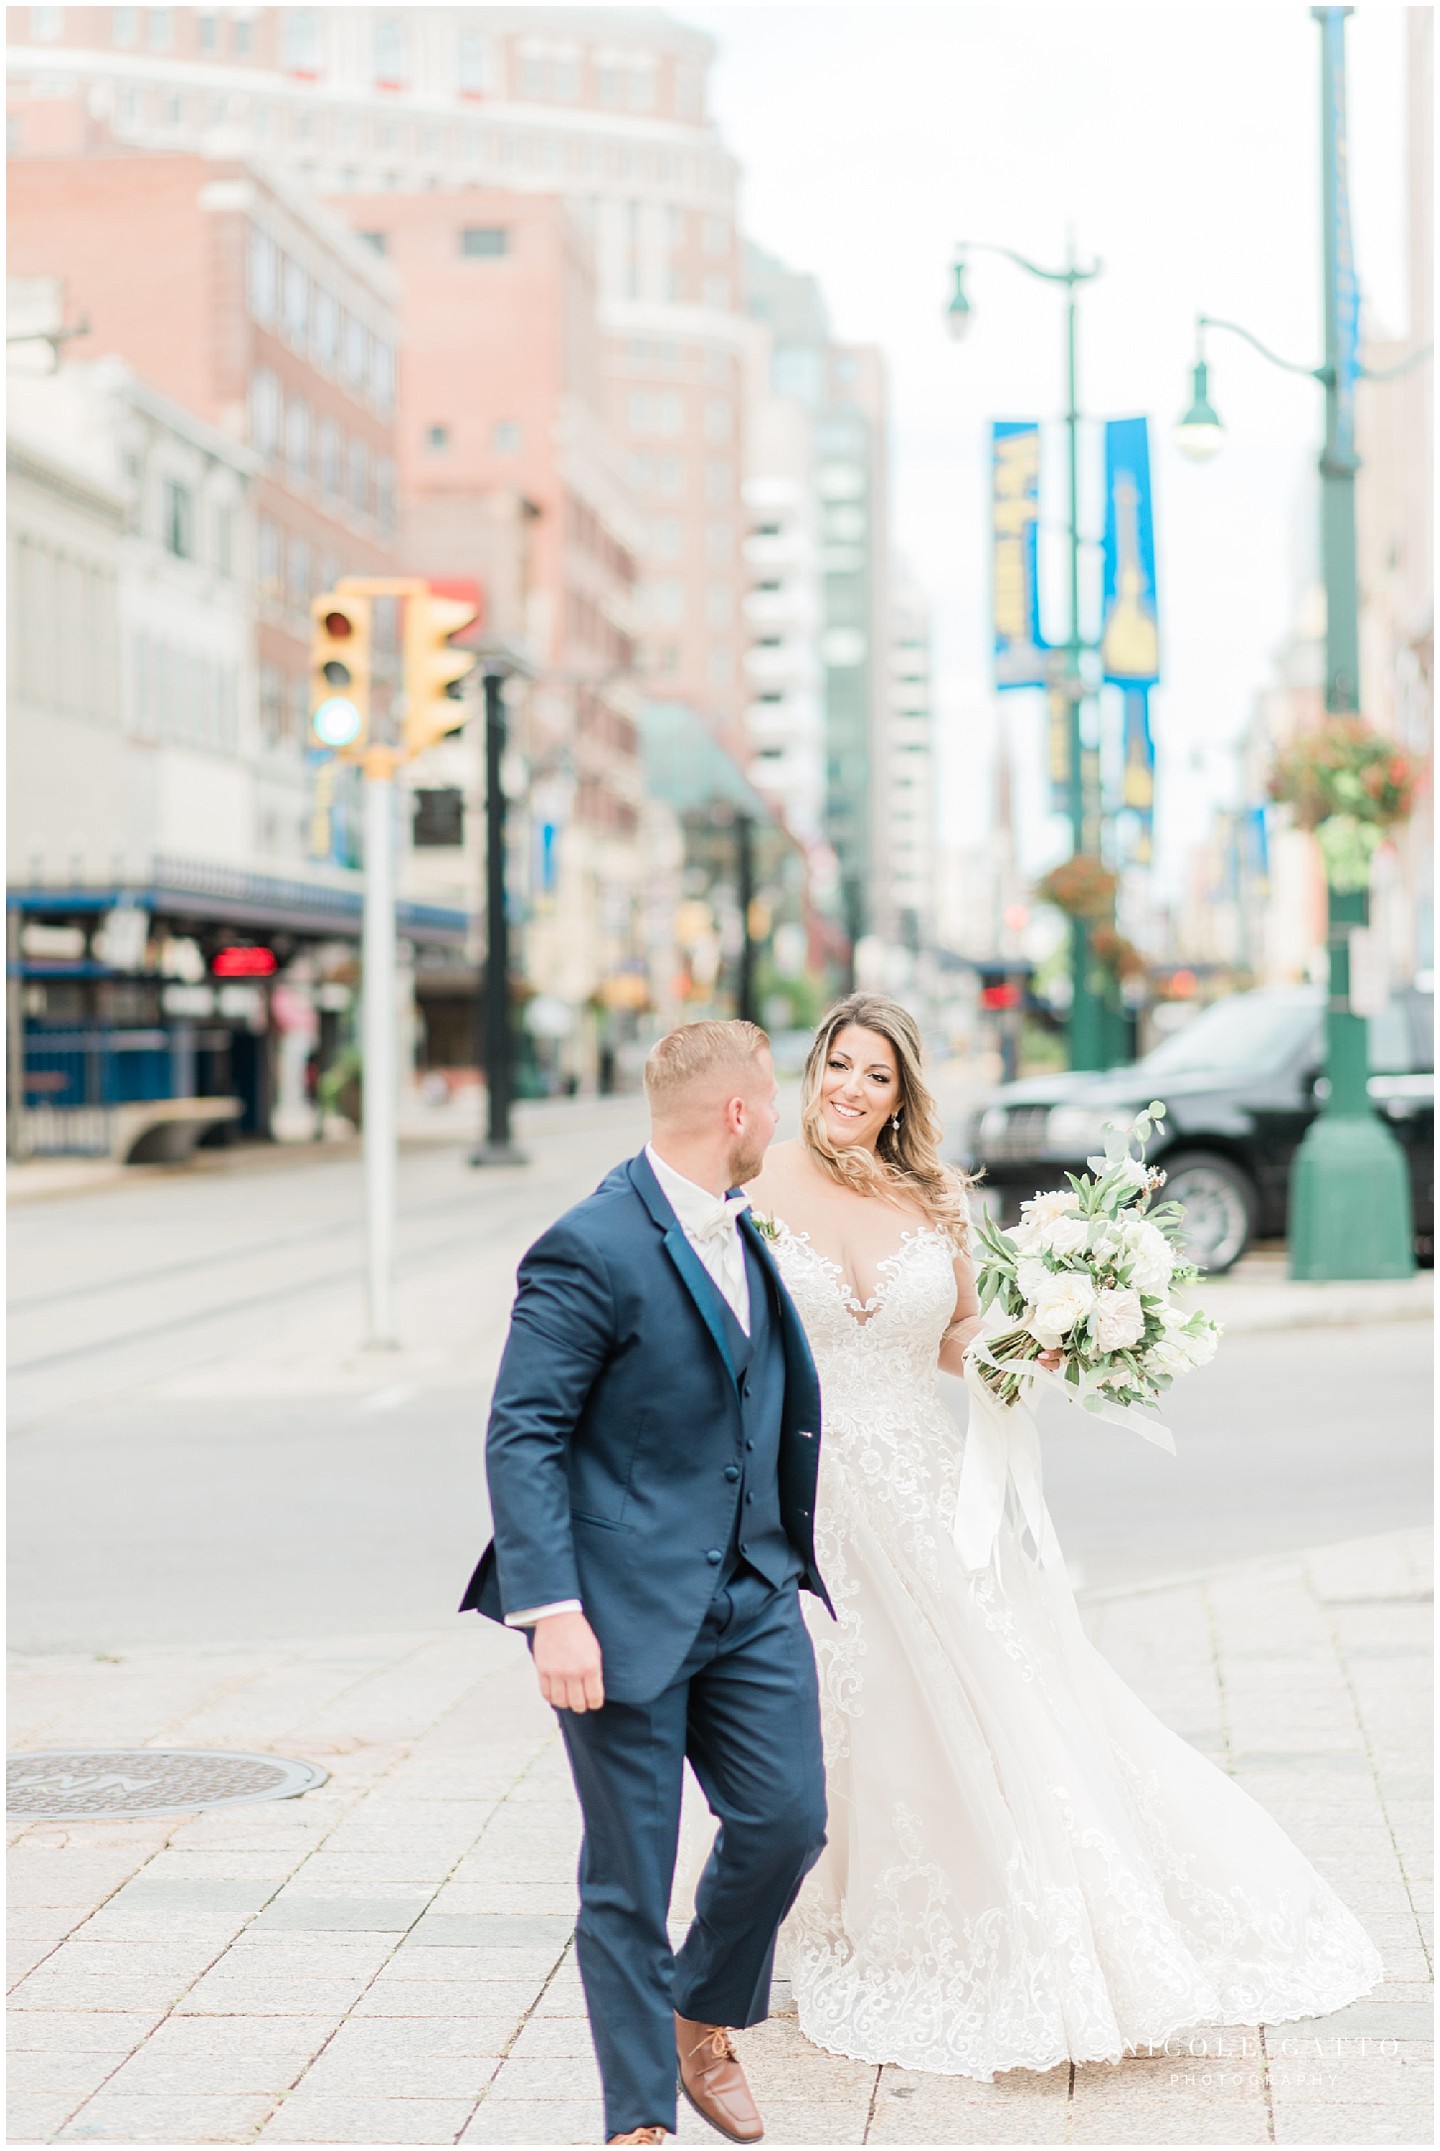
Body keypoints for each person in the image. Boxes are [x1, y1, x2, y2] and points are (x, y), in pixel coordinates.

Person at [741, 992, 1382, 2080]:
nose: (851, 1089)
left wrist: (1036, 1338)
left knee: (987, 1694)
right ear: (814, 1071)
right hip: (805, 1492)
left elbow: (951, 1336)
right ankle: (819, 1908)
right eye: (838, 1065)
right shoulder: (754, 1187)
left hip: (924, 1489)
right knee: (844, 1700)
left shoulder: (933, 1199)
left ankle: (992, 1907)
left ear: (902, 1099)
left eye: (876, 1075)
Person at [461, 1019, 833, 2145]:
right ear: (735, 1115)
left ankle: (702, 2012)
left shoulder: (740, 1223)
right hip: (618, 1614)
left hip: (754, 1594)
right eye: (771, 1096)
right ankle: (637, 2126)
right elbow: (522, 1432)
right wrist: (552, 1610)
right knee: (629, 1876)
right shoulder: (589, 1245)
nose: (779, 1115)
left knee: (788, 1822)